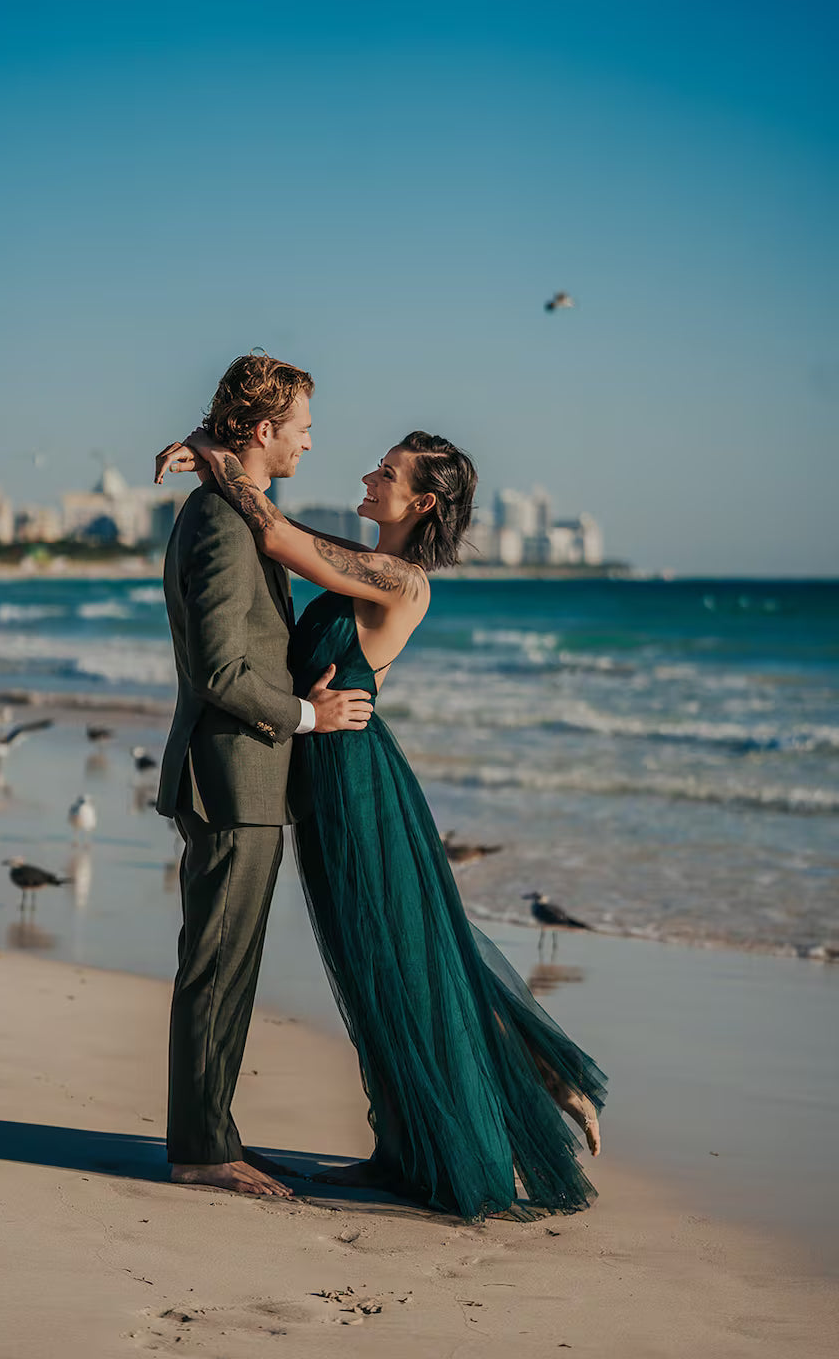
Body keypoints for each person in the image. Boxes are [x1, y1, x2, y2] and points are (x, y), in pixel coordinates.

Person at [156, 420, 607, 1222]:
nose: (369, 474)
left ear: (422, 500)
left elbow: (276, 535)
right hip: (324, 781)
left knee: (407, 948)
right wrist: (219, 454)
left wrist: (215, 452)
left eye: (388, 472)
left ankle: (537, 1069)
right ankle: (404, 1150)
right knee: (379, 965)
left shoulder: (404, 584)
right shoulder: (369, 564)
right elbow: (281, 528)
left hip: (359, 784)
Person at [155, 353, 374, 1200]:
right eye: (304, 428)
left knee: (229, 966)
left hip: (247, 775)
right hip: (230, 777)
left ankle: (216, 1138)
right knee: (215, 967)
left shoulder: (238, 514)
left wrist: (296, 690)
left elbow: (249, 650)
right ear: (262, 431)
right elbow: (215, 671)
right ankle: (202, 1151)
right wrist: (308, 716)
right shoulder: (217, 520)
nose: (311, 443)